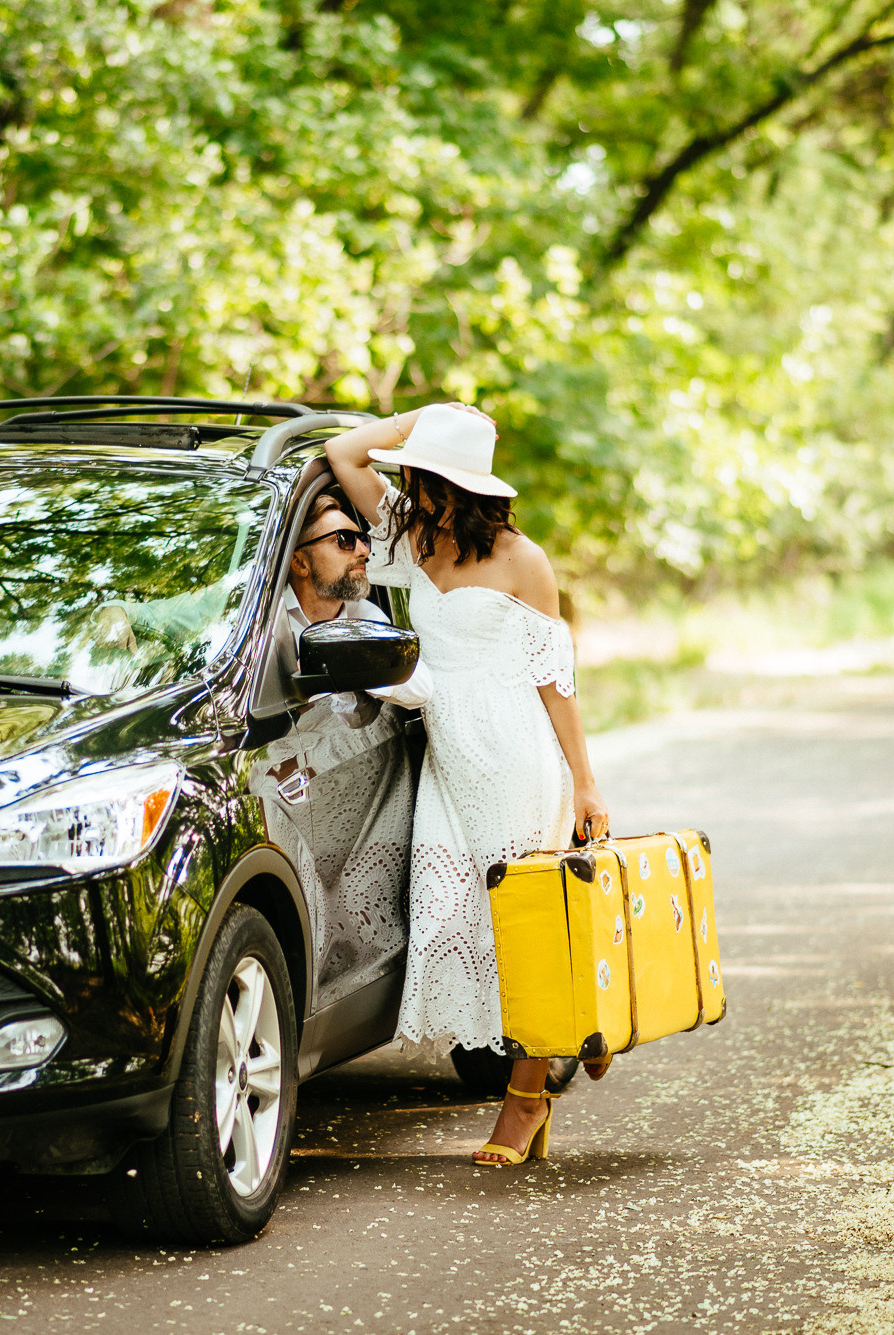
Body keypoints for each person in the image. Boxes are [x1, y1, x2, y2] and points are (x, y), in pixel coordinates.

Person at [322, 402, 612, 1168]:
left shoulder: (526, 561)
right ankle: (581, 1024)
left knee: (521, 929)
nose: (408, 486)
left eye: (420, 475)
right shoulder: (412, 540)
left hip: (516, 758)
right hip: (451, 762)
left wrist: (585, 783)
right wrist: (405, 419)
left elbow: (557, 683)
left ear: (457, 484)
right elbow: (342, 453)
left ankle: (524, 1102)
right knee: (454, 916)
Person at [273, 488, 431, 710]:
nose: (363, 552)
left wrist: (352, 660)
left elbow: (422, 689)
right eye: (344, 539)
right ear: (300, 564)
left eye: (362, 539)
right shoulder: (266, 626)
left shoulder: (363, 616)